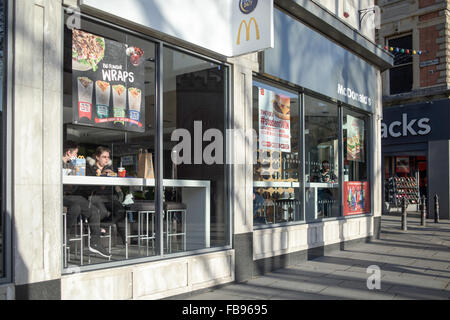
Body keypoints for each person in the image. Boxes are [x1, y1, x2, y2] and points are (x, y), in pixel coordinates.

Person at [62, 141, 111, 258]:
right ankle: (64, 236)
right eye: (76, 153)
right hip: (60, 195)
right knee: (77, 207)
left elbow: (74, 186)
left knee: (94, 211)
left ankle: (95, 242)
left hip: (73, 196)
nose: (77, 156)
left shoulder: (72, 165)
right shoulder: (58, 164)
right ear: (69, 153)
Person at [85, 146, 127, 245]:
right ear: (97, 157)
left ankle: (100, 226)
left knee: (120, 211)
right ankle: (94, 227)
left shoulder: (109, 167)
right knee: (102, 212)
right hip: (95, 196)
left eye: (108, 157)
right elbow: (90, 186)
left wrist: (115, 177)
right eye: (104, 157)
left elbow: (113, 186)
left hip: (109, 196)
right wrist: (102, 176)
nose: (107, 159)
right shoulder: (89, 168)